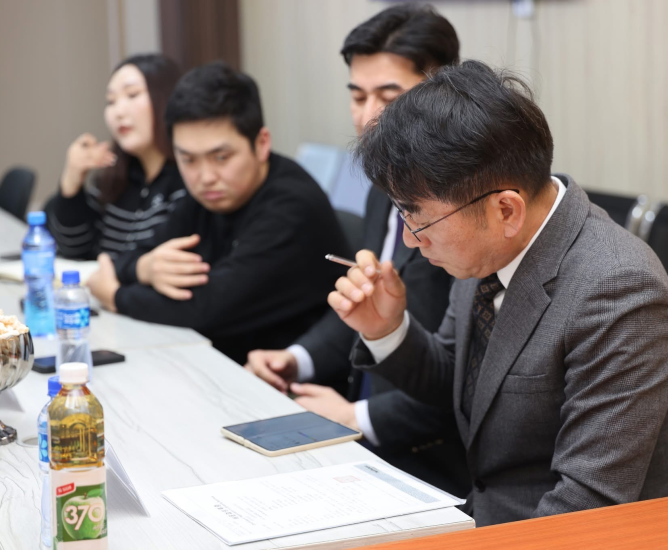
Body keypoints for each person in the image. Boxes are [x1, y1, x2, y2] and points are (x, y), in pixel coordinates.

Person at [330, 60, 668, 527]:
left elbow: (585, 505)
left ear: (506, 210)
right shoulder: (490, 242)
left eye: (418, 218)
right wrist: (387, 330)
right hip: (482, 516)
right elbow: (461, 387)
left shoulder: (619, 291)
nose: (409, 240)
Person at [246, 4, 470, 496]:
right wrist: (296, 358)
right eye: (357, 95)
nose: (368, 117)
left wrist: (355, 417)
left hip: (432, 459)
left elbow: (465, 379)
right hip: (366, 439)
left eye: (388, 97)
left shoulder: (464, 214)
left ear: (441, 95)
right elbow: (364, 309)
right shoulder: (381, 190)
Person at [87, 62, 350, 364]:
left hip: (283, 378)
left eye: (221, 157)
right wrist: (144, 268)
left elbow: (206, 309)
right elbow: (129, 257)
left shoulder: (292, 205)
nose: (205, 177)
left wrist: (115, 296)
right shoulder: (207, 197)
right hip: (216, 361)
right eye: (188, 159)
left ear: (261, 144)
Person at [46, 54, 185, 264]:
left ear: (166, 99)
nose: (118, 112)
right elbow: (74, 250)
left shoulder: (186, 181)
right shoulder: (115, 177)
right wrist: (71, 181)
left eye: (132, 94)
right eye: (111, 101)